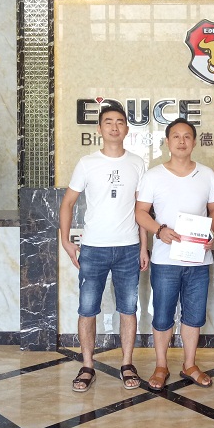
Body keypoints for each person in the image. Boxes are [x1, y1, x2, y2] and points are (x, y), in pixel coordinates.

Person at [59, 102, 149, 392]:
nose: (114, 127)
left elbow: (142, 209)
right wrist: (65, 240)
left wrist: (143, 247)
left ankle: (127, 363)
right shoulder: (87, 163)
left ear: (127, 128)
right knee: (87, 309)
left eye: (120, 122)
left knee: (128, 309)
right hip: (94, 248)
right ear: (99, 129)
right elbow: (68, 203)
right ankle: (87, 365)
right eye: (108, 122)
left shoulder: (137, 163)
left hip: (128, 248)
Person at [135, 118, 214, 391]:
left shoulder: (206, 174)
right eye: (176, 136)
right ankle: (161, 366)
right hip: (165, 260)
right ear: (167, 142)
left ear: (194, 142)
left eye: (187, 136)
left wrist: (210, 232)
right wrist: (159, 230)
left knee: (194, 316)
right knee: (162, 316)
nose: (182, 141)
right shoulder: (153, 175)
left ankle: (190, 364)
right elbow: (140, 212)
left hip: (198, 260)